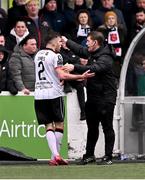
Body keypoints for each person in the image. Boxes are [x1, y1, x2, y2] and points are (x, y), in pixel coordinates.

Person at [34, 31, 94, 166]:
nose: (61, 44)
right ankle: (56, 155)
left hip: (39, 94)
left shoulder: (38, 55)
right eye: (60, 41)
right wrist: (81, 76)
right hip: (54, 94)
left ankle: (53, 157)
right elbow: (62, 75)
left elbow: (48, 73)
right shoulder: (56, 56)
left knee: (48, 125)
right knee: (59, 124)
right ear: (53, 42)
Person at [62, 31, 117, 165]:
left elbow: (94, 69)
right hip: (93, 97)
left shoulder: (106, 57)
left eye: (88, 41)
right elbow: (81, 50)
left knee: (107, 128)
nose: (86, 43)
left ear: (95, 43)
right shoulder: (94, 52)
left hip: (106, 98)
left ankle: (108, 156)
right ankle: (89, 155)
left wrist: (74, 66)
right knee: (92, 128)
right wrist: (67, 41)